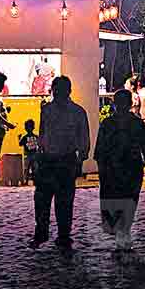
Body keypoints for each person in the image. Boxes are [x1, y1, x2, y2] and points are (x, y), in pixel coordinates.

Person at [31, 77, 90, 249]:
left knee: (62, 201)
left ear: (68, 91)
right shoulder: (49, 110)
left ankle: (62, 235)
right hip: (50, 159)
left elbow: (83, 137)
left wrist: (81, 158)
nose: (56, 93)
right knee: (44, 199)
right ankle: (44, 233)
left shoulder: (76, 112)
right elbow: (42, 134)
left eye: (59, 90)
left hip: (65, 159)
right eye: (55, 90)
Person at [94, 89, 145, 252]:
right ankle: (124, 231)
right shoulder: (136, 123)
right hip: (131, 168)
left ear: (115, 104)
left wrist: (102, 171)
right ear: (130, 104)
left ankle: (121, 233)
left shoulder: (107, 124)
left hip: (113, 170)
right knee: (130, 200)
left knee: (114, 201)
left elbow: (99, 151)